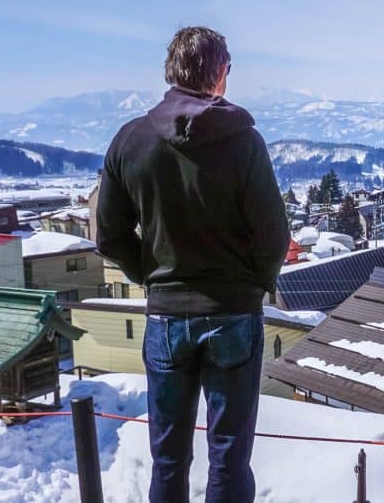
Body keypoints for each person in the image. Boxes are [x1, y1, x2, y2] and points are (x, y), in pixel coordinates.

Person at [96, 26, 290, 503]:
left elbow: (109, 236)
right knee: (228, 455)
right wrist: (254, 285)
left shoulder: (130, 142)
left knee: (168, 457)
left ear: (170, 72)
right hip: (233, 315)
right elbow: (273, 236)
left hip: (165, 319)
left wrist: (150, 276)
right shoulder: (244, 142)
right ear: (220, 73)